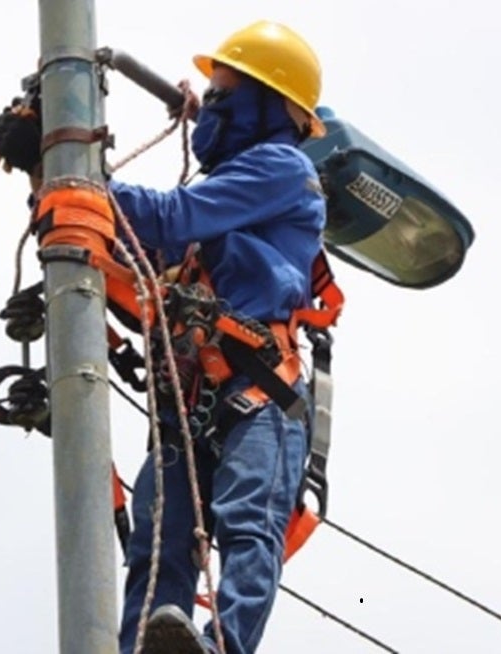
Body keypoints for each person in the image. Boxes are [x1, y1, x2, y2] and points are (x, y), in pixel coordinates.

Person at [108, 21, 327, 654]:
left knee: (246, 523)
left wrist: (78, 174)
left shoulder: (280, 169)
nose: (215, 111)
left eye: (227, 97)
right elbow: (139, 242)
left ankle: (220, 648)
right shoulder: (226, 192)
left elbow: (165, 217)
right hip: (195, 393)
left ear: (271, 106)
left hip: (260, 389)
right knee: (158, 535)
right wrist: (51, 180)